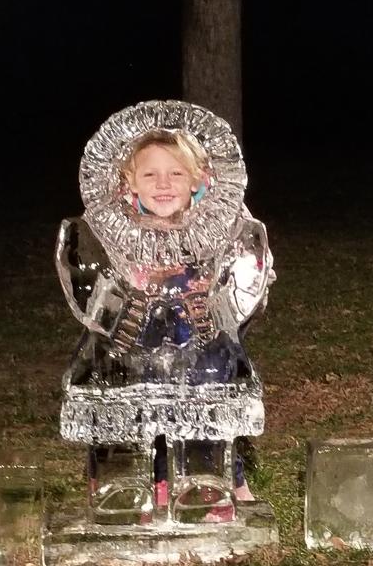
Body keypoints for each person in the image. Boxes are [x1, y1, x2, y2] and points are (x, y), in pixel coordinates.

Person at [57, 101, 273, 525]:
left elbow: (247, 283)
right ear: (129, 184)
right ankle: (142, 483)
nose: (163, 184)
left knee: (210, 390)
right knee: (129, 394)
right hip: (135, 343)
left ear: (198, 181)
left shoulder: (218, 231)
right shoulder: (111, 235)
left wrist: (210, 289)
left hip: (198, 342)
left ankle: (220, 479)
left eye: (176, 173)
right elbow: (89, 287)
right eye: (150, 174)